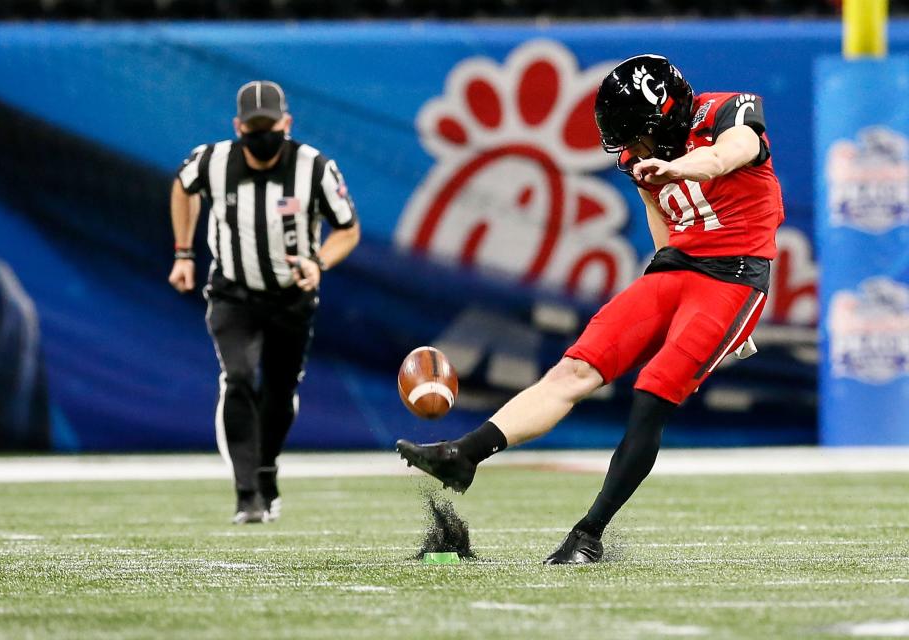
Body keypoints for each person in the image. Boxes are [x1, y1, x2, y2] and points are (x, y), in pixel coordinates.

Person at [397, 54, 783, 563]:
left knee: (653, 391)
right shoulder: (639, 160)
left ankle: (589, 533)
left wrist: (678, 165)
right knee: (575, 369)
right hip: (676, 270)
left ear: (665, 116)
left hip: (733, 277)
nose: (629, 147)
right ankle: (463, 455)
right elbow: (660, 213)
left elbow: (726, 156)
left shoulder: (728, 113)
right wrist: (660, 278)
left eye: (635, 133)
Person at [169, 81, 360, 524]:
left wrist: (318, 263)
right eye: (252, 127)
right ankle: (246, 492)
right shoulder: (213, 161)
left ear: (286, 123)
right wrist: (183, 252)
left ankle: (265, 467)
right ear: (238, 127)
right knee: (237, 378)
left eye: (268, 126)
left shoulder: (314, 167)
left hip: (291, 296)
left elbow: (347, 228)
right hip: (233, 292)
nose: (261, 135)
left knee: (279, 391)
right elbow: (182, 186)